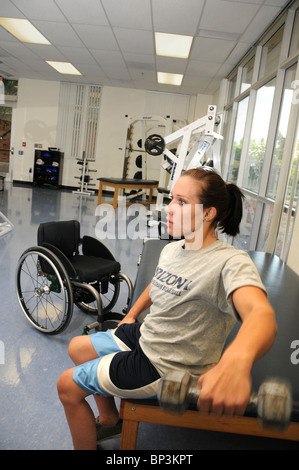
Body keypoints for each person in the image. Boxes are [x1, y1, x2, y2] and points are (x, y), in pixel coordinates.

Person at [57, 167, 277, 450]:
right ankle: (111, 418)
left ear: (208, 214)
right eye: (171, 199)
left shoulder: (230, 263)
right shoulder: (173, 249)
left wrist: (237, 361)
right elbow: (157, 283)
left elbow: (262, 316)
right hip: (151, 335)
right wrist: (132, 315)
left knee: (66, 387)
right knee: (77, 347)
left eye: (182, 202)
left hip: (167, 365)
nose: (169, 209)